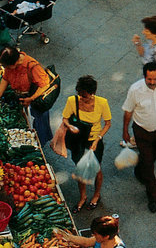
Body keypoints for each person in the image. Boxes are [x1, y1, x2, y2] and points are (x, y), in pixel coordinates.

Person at [121, 62, 156, 213]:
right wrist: (125, 131)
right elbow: (128, 111)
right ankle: (153, 195)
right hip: (142, 132)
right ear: (144, 77)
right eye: (149, 79)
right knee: (149, 165)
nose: (152, 82)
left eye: (155, 78)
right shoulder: (135, 90)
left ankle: (139, 170)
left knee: (151, 157)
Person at [62, 75, 112, 212]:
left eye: (84, 96)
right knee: (80, 168)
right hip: (78, 139)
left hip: (94, 139)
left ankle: (96, 195)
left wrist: (97, 139)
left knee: (97, 169)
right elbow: (65, 118)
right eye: (80, 95)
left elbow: (108, 124)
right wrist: (70, 126)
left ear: (92, 93)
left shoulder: (102, 103)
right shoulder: (72, 101)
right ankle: (83, 197)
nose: (82, 98)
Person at [0, 46, 51, 138]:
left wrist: (31, 99)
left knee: (37, 125)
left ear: (15, 62)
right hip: (20, 97)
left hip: (34, 100)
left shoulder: (32, 66)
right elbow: (5, 79)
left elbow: (45, 85)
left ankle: (40, 144)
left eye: (6, 66)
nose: (5, 68)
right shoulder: (10, 66)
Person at [56, 216, 124, 248]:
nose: (93, 235)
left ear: (106, 236)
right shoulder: (103, 239)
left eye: (95, 234)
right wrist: (66, 236)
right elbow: (86, 242)